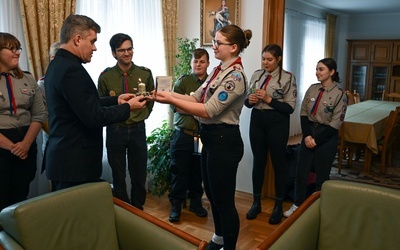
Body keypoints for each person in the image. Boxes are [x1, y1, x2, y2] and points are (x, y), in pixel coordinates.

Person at [154, 24, 252, 250]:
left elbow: (208, 110)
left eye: (219, 43)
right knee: (214, 197)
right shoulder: (219, 70)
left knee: (224, 202)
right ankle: (218, 238)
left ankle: (229, 247)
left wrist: (171, 101)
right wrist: (167, 94)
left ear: (234, 47)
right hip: (210, 139)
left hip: (224, 141)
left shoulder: (235, 76)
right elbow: (195, 98)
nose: (214, 46)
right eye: (215, 41)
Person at [43, 14, 147, 192]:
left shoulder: (59, 64)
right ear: (77, 39)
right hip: (74, 163)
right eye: (92, 41)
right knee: (77, 218)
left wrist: (115, 99)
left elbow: (81, 103)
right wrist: (127, 108)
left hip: (66, 159)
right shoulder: (71, 70)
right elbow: (93, 117)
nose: (95, 48)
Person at [284, 58, 347, 218]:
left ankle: (318, 208)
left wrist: (316, 140)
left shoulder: (340, 95)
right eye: (317, 69)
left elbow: (336, 123)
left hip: (327, 136)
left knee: (321, 176)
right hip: (309, 132)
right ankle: (297, 204)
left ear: (331, 72)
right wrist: (307, 136)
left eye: (321, 69)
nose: (317, 72)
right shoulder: (312, 89)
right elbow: (304, 113)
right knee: (301, 173)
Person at [97, 33, 154, 210]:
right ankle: (124, 211)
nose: (126, 53)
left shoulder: (145, 73)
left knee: (139, 173)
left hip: (138, 129)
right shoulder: (106, 76)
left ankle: (138, 209)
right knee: (118, 174)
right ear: (114, 53)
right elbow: (102, 105)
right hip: (116, 130)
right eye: (121, 50)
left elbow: (150, 100)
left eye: (129, 49)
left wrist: (141, 116)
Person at [244, 44, 297, 225]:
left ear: (278, 59)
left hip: (277, 123)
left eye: (269, 59)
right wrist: (249, 101)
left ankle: (278, 205)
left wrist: (268, 99)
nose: (265, 63)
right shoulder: (256, 75)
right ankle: (256, 202)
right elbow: (247, 101)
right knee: (258, 162)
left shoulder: (288, 78)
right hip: (257, 121)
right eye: (264, 59)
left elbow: (289, 108)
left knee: (278, 164)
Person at [0, 32, 47, 211]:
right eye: (11, 49)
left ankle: (15, 236)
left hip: (26, 143)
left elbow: (39, 114)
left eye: (17, 48)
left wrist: (26, 144)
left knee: (20, 198)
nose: (17, 53)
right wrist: (14, 148)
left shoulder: (27, 78)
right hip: (3, 145)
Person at [168, 48, 210, 222]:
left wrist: (188, 105)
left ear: (208, 63)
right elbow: (175, 105)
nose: (198, 64)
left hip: (201, 136)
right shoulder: (183, 82)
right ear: (191, 63)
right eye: (195, 61)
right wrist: (197, 109)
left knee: (198, 171)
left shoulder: (212, 83)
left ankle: (195, 202)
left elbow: (214, 109)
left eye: (202, 61)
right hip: (183, 135)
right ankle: (176, 205)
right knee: (179, 170)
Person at [37, 41, 61, 152]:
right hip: (54, 138)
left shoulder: (75, 80)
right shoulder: (43, 83)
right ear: (53, 58)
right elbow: (42, 116)